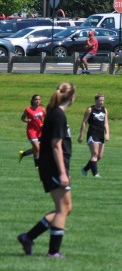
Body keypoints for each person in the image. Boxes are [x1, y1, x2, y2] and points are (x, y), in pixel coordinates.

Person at [17, 82, 76, 258]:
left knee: (66, 208)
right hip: (52, 168)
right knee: (62, 209)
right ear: (71, 96)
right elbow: (56, 145)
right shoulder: (58, 115)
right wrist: (62, 172)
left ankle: (28, 237)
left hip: (54, 167)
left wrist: (65, 169)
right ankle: (53, 252)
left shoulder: (55, 113)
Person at [78, 93, 109, 178]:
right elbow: (84, 122)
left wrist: (107, 133)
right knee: (94, 154)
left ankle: (85, 169)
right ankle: (96, 174)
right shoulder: (90, 109)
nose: (101, 102)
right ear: (95, 100)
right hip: (92, 134)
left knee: (99, 156)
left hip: (100, 134)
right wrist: (81, 135)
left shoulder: (104, 110)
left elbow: (106, 122)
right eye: (100, 100)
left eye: (103, 100)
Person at [19, 94, 45, 166]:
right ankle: (37, 165)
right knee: (37, 148)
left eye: (39, 99)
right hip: (31, 131)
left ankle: (23, 154)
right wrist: (27, 120)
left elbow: (47, 117)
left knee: (36, 148)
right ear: (32, 100)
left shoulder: (42, 109)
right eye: (36, 99)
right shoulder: (28, 109)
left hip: (40, 131)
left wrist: (44, 124)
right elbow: (22, 118)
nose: (37, 101)